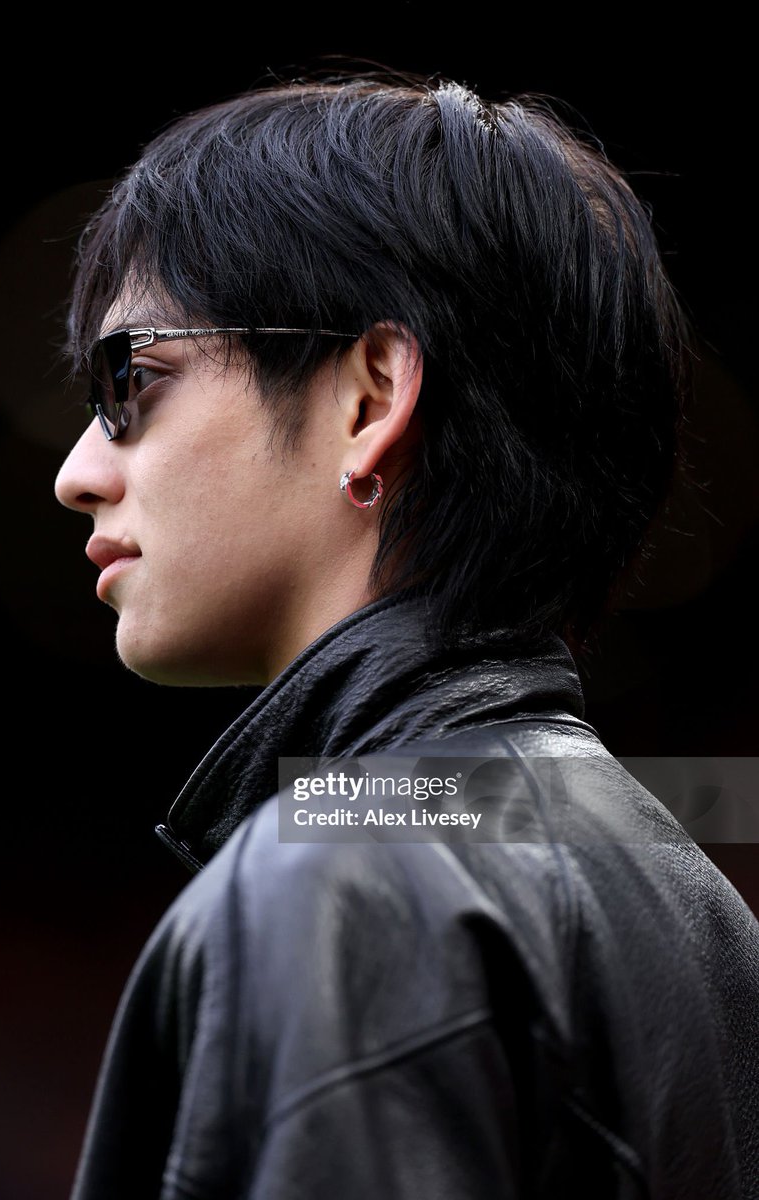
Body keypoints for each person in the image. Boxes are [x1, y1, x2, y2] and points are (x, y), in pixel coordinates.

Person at [54, 71, 758, 1199]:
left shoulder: (340, 887)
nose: (77, 472)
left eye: (130, 377)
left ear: (371, 398)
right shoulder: (687, 889)